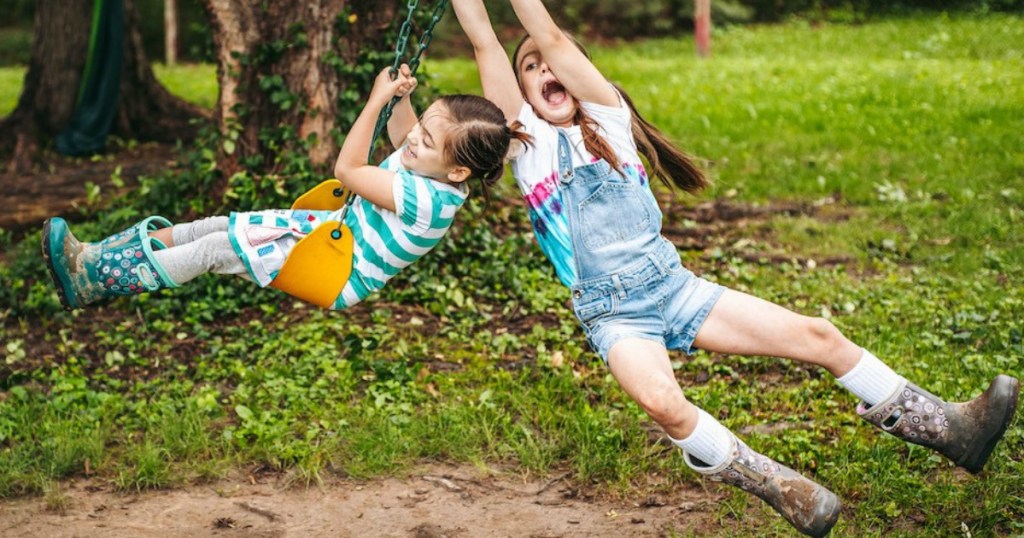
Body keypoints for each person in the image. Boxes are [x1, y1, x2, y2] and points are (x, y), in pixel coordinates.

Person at [450, 1, 1020, 536]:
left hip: (674, 288)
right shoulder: (525, 144)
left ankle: (954, 431)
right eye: (531, 66)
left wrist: (547, 43)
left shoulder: (609, 116)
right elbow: (483, 40)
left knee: (817, 334)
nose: (546, 66)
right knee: (662, 403)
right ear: (522, 90)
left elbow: (547, 31)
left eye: (554, 60)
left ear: (580, 71)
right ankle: (779, 487)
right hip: (615, 314)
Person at [43, 64, 529, 311]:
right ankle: (91, 256)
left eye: (428, 141)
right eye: (423, 126)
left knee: (216, 247)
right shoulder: (431, 168)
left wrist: (375, 98)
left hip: (333, 268)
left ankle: (94, 279)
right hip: (323, 233)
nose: (414, 142)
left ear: (459, 171)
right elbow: (402, 136)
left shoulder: (428, 201)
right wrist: (402, 98)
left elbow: (348, 168)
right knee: (215, 226)